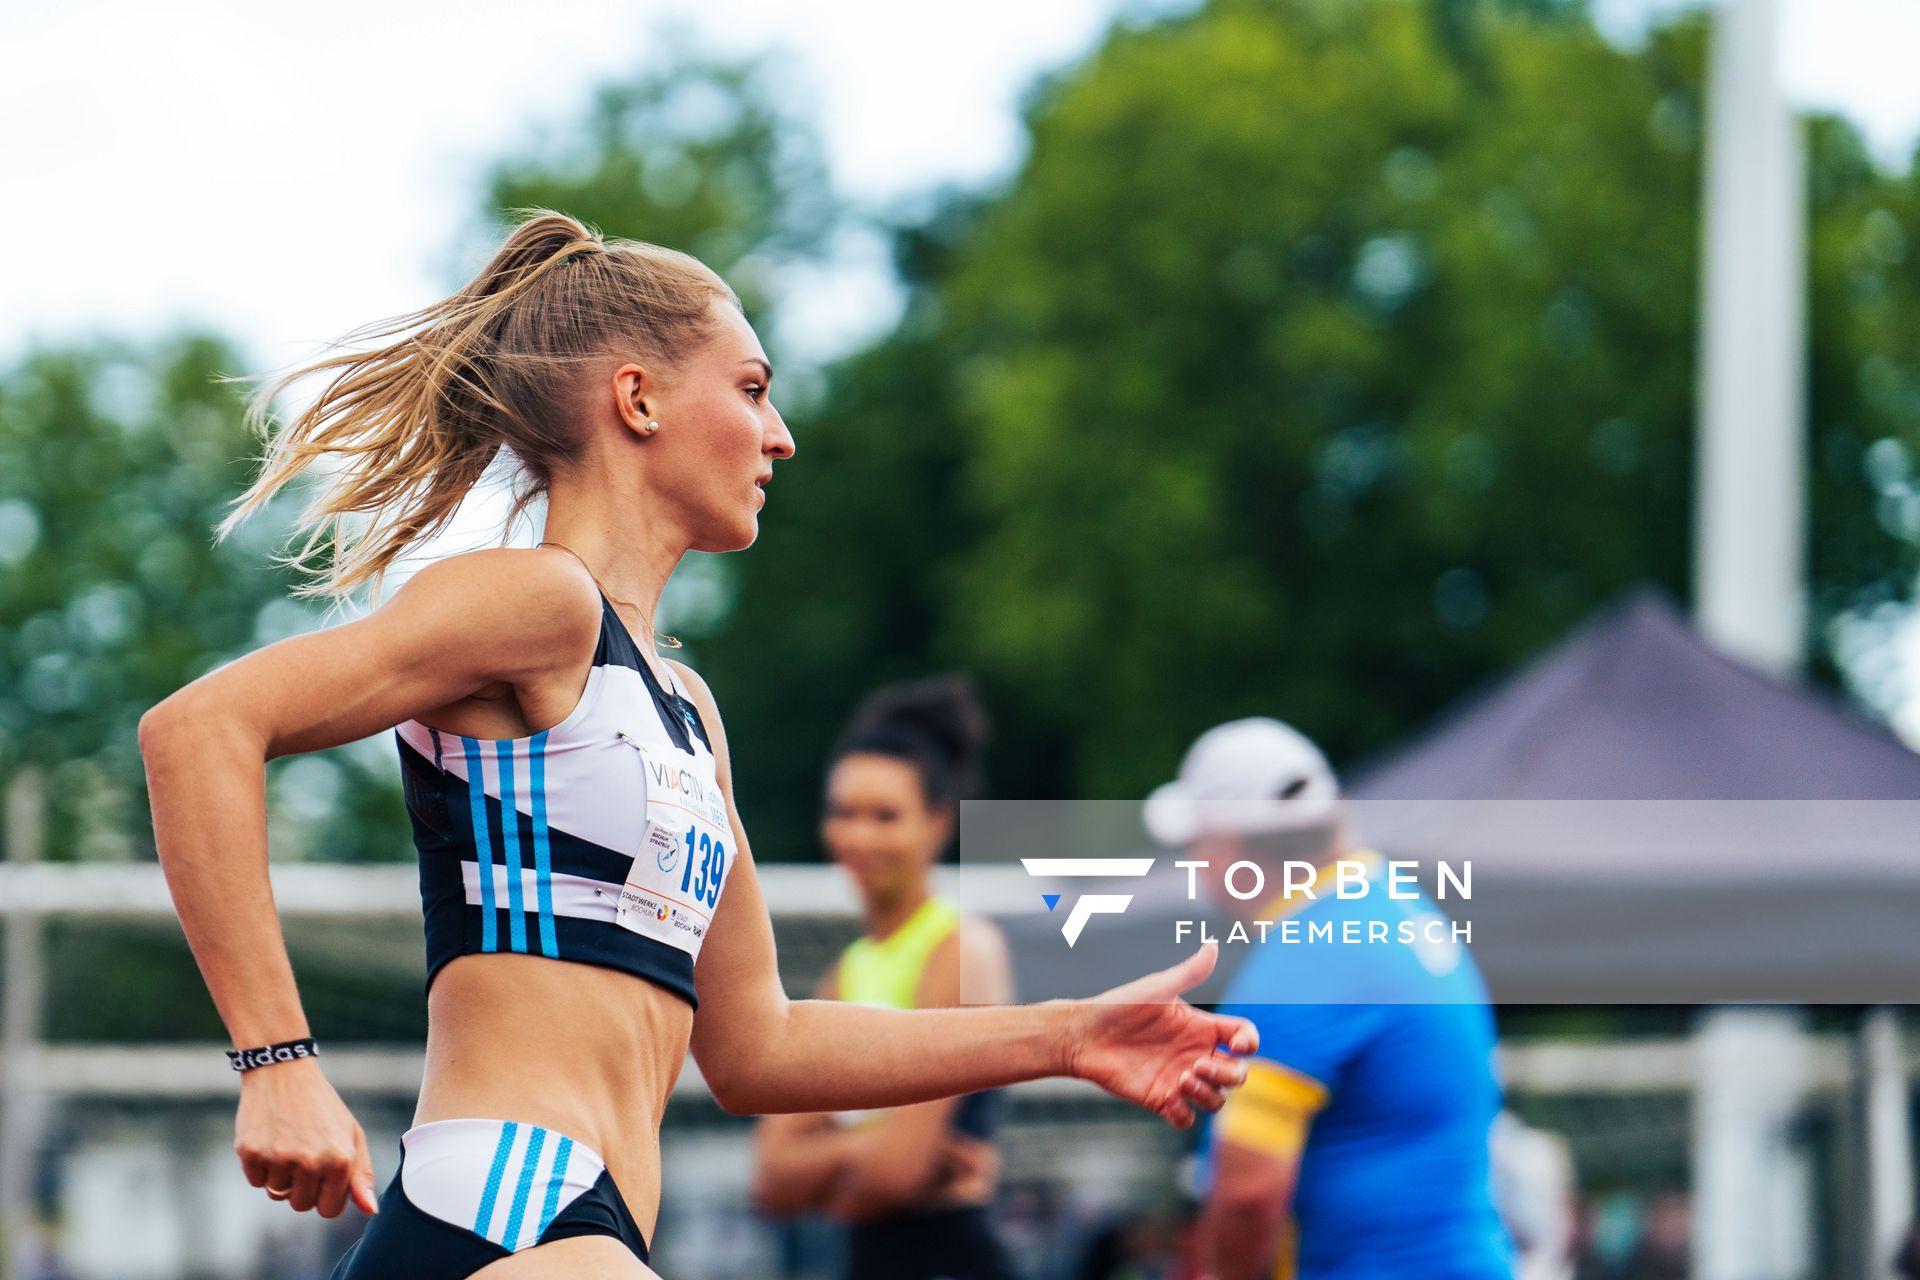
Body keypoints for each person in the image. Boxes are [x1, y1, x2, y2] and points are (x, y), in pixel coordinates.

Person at [137, 210, 1258, 1280]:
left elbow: (759, 1045)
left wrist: (1070, 1034)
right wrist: (276, 1063)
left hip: (586, 1215)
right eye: (754, 388)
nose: (782, 434)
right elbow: (196, 728)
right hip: (507, 1199)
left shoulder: (683, 705)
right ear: (637, 399)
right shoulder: (539, 603)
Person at [1143, 718, 1512, 1280]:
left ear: (1230, 845)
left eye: (1194, 844)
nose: (1195, 866)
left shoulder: (1304, 961)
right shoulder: (1398, 911)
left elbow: (1248, 1194)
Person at [751, 674, 1021, 1280]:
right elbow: (771, 1178)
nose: (859, 835)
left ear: (937, 823)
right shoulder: (843, 975)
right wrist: (868, 1157)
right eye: (843, 813)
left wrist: (832, 1167)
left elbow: (891, 1175)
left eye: (885, 815)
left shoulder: (959, 948)